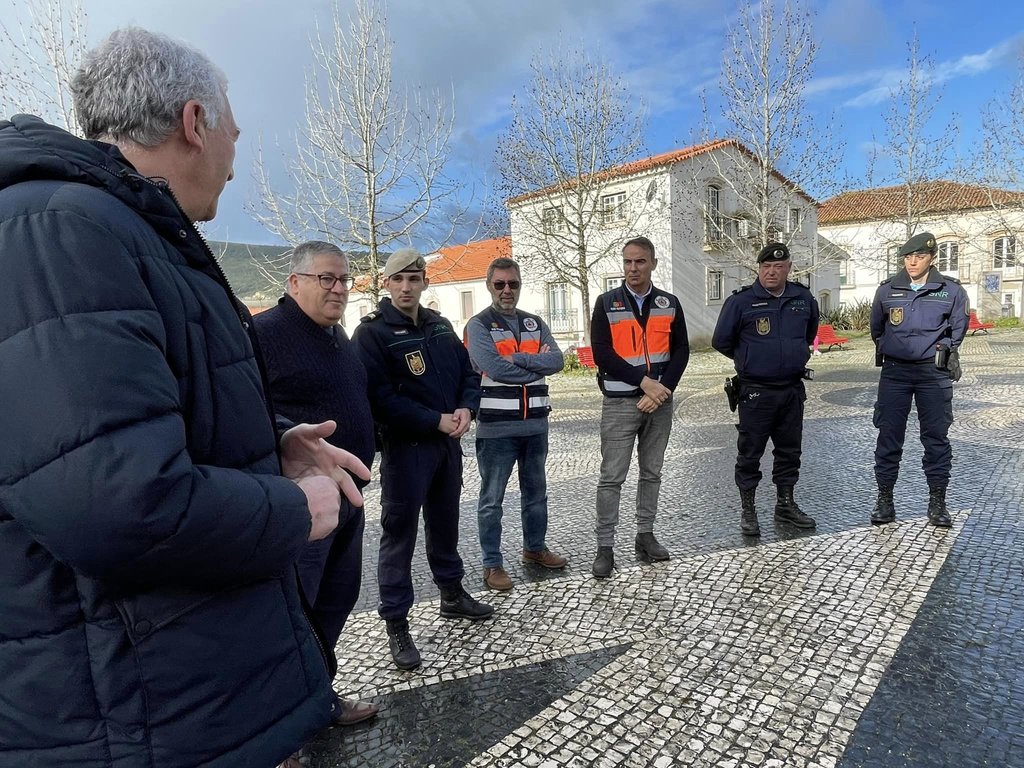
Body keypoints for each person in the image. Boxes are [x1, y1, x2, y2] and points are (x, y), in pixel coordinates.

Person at [0, 28, 370, 768]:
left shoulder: (123, 231)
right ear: (195, 122)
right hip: (127, 718)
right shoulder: (60, 229)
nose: (237, 151)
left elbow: (135, 415)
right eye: (235, 125)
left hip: (174, 698)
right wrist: (295, 509)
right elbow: (114, 500)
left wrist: (273, 443)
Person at [254, 241, 379, 726]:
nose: (339, 289)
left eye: (344, 279)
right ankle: (280, 725)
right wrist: (285, 433)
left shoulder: (336, 337)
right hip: (303, 504)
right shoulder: (265, 334)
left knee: (336, 598)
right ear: (295, 283)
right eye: (326, 278)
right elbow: (249, 408)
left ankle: (316, 696)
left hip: (350, 497)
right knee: (293, 613)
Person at [353, 249, 492, 671]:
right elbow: (379, 399)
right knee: (399, 534)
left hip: (446, 446)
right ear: (387, 284)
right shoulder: (372, 335)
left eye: (414, 279)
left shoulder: (439, 325)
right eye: (399, 280)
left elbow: (469, 374)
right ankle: (396, 621)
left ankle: (451, 594)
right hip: (406, 448)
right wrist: (435, 420)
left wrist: (468, 409)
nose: (407, 287)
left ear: (424, 282)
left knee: (446, 521)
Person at [465, 256, 568, 591]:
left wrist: (521, 359)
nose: (507, 290)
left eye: (513, 284)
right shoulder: (478, 325)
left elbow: (558, 360)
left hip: (536, 425)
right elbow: (494, 368)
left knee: (536, 494)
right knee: (492, 499)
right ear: (489, 286)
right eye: (500, 284)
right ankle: (492, 564)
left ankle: (534, 549)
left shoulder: (534, 323)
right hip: (497, 430)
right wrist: (534, 367)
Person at [590, 236, 690, 578]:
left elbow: (681, 352)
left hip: (659, 403)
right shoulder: (606, 302)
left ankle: (645, 535)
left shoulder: (669, 302)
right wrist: (644, 382)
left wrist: (662, 391)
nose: (633, 268)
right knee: (611, 476)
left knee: (652, 473)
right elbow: (603, 353)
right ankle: (605, 547)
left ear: (653, 264)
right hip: (620, 402)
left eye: (640, 262)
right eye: (628, 262)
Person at [712, 243, 820, 537]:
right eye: (765, 267)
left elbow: (808, 335)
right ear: (758, 269)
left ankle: (785, 504)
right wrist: (751, 359)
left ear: (788, 268)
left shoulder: (803, 298)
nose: (771, 272)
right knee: (750, 453)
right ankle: (749, 510)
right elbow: (721, 340)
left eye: (778, 266)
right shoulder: (741, 302)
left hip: (791, 390)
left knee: (789, 451)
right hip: (756, 391)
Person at [869, 231, 968, 528]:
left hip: (932, 373)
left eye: (920, 256)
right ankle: (885, 499)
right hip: (895, 373)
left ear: (932, 258)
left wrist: (942, 350)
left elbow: (957, 329)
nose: (913, 262)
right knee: (888, 436)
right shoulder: (887, 290)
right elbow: (877, 328)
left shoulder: (950, 290)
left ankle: (938, 502)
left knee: (936, 438)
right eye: (908, 257)